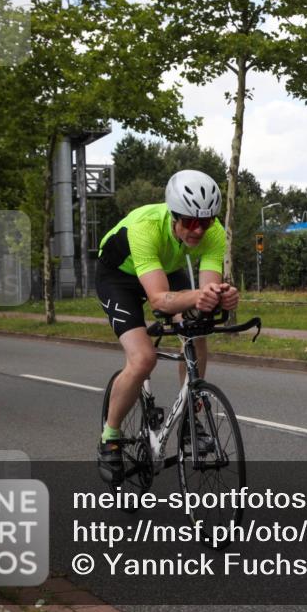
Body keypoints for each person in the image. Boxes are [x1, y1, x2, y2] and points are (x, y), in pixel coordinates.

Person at [94, 169, 239, 483]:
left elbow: (206, 294)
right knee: (143, 359)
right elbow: (159, 300)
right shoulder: (145, 227)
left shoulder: (214, 231)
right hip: (119, 277)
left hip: (166, 269)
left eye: (205, 222)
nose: (198, 230)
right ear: (174, 215)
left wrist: (221, 298)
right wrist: (198, 296)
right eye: (189, 222)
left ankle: (190, 418)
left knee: (197, 331)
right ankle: (110, 437)